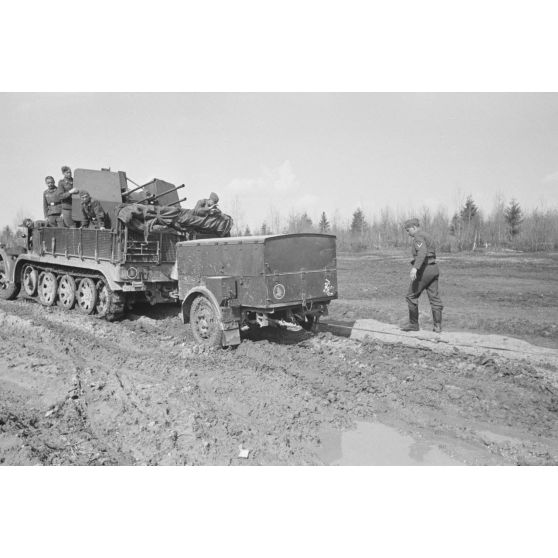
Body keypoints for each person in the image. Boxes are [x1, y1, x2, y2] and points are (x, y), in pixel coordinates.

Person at [401, 218, 443, 333]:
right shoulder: (426, 235)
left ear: (414, 227)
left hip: (425, 270)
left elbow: (422, 252)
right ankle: (437, 326)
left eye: (408, 229)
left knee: (411, 296)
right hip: (434, 268)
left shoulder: (418, 237)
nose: (407, 232)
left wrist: (415, 268)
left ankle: (414, 325)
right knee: (434, 298)